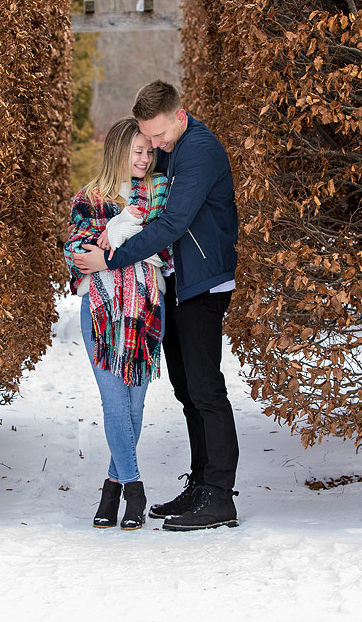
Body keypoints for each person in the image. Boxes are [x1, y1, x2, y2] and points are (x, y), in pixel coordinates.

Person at [73, 81, 240, 531]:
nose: (156, 148)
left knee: (205, 389)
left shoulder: (199, 149)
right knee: (187, 390)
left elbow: (173, 221)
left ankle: (220, 496)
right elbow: (134, 182)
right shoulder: (170, 147)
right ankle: (201, 485)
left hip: (204, 283)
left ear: (180, 115)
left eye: (160, 137)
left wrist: (110, 256)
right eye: (150, 140)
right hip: (178, 284)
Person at [65, 117, 172, 530]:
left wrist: (117, 245)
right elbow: (76, 250)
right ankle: (133, 485)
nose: (146, 158)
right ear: (117, 153)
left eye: (150, 151)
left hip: (146, 307)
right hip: (102, 310)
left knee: (136, 404)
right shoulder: (91, 197)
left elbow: (165, 252)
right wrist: (126, 237)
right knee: (114, 402)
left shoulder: (160, 197)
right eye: (138, 151)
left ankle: (111, 488)